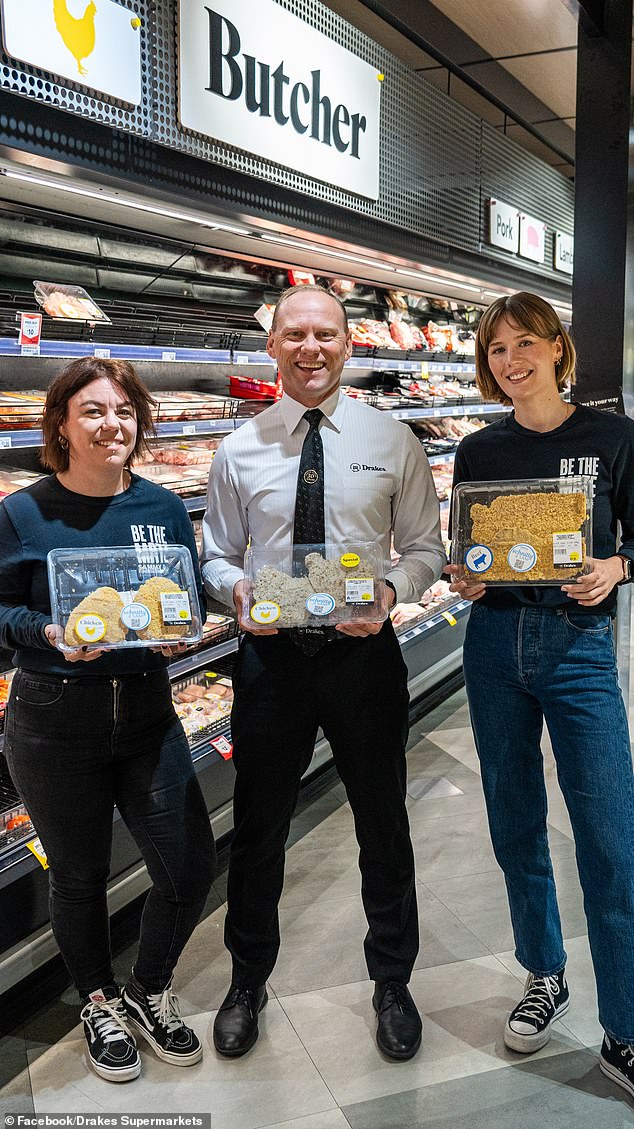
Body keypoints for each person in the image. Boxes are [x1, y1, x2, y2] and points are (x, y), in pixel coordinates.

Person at [201, 284, 445, 1061]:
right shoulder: (239, 448)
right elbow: (215, 552)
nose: (311, 348)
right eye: (295, 334)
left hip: (363, 656)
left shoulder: (393, 438)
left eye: (327, 335)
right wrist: (234, 589)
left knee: (383, 822)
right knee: (259, 827)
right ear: (272, 346)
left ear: (349, 345)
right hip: (272, 660)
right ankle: (246, 981)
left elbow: (426, 550)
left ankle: (394, 980)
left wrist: (389, 591)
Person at [0, 358, 216, 1083]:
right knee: (81, 877)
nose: (110, 423)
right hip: (55, 717)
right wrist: (48, 631)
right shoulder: (23, 511)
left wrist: (186, 626)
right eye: (91, 410)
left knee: (188, 864)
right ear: (61, 424)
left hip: (148, 709)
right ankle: (96, 999)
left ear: (139, 421)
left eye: (123, 410)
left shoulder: (160, 506)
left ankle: (149, 987)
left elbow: (183, 596)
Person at [448, 292, 634, 1100]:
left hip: (579, 648)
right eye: (496, 350)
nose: (512, 361)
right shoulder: (477, 449)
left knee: (610, 834)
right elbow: (471, 551)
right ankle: (544, 972)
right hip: (493, 644)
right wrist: (465, 574)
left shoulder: (615, 438)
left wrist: (618, 567)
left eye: (525, 343)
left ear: (558, 348)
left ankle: (625, 1025)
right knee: (514, 819)